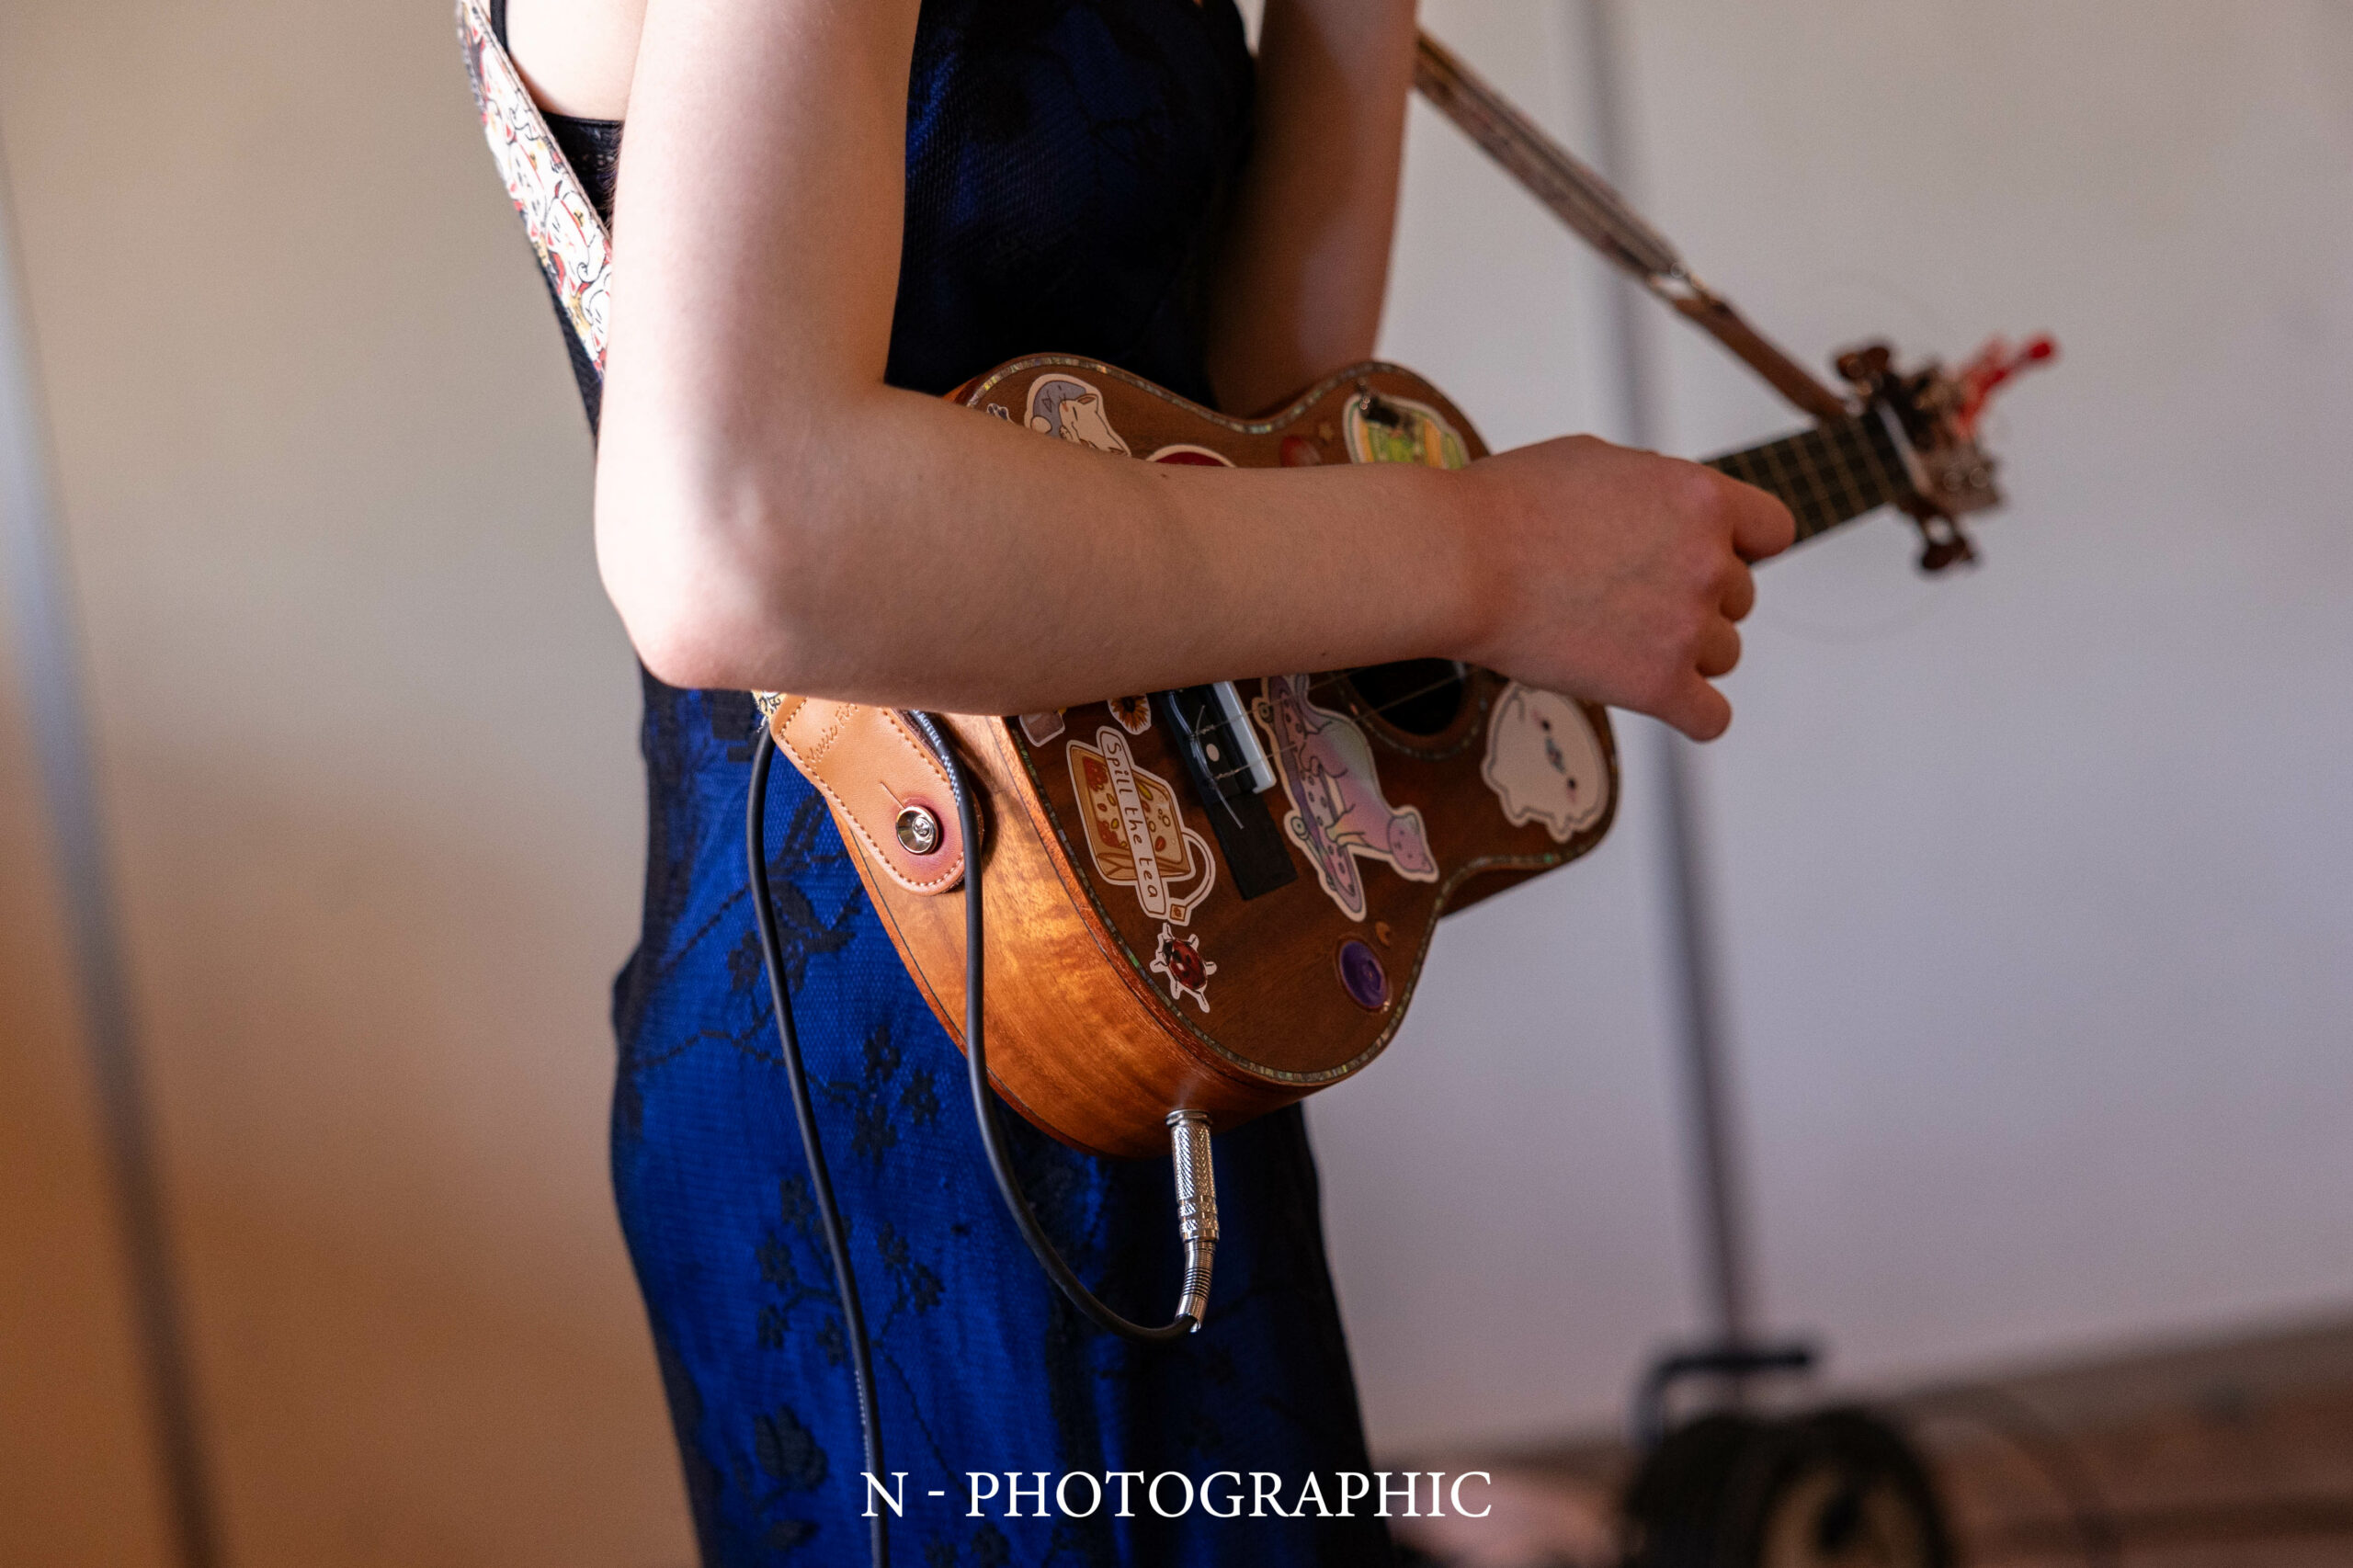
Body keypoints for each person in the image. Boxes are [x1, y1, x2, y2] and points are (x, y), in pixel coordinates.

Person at [494, 0, 1793, 1562]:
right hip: (907, 1035)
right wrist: (1493, 554)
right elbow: (735, 534)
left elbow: (1232, 432)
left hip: (1171, 944)